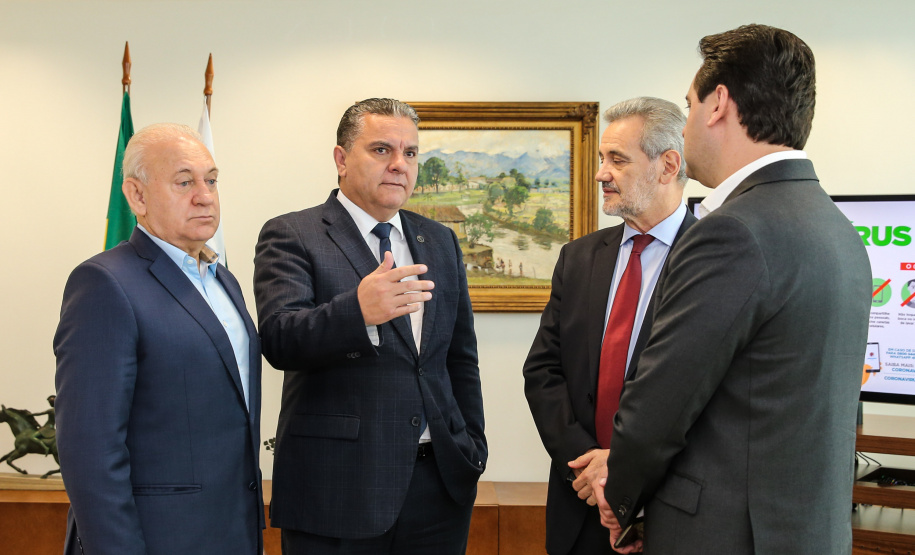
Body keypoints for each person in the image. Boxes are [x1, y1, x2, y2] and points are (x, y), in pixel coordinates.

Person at [596, 25, 872, 554]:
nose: (689, 122)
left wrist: (622, 497)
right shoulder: (836, 227)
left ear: (719, 103)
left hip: (727, 533)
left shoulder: (733, 231)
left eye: (690, 104)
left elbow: (662, 403)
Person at [254, 98, 486, 554]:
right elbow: (280, 339)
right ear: (341, 158)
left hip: (439, 488)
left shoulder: (438, 240)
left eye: (411, 153)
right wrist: (356, 313)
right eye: (382, 150)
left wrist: (471, 445)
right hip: (339, 489)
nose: (400, 165)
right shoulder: (293, 234)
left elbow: (459, 357)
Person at [54, 123, 264, 554]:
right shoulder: (104, 283)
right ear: (137, 196)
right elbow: (90, 450)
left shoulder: (225, 281)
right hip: (154, 540)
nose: (205, 195)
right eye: (184, 181)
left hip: (234, 534)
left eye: (211, 179)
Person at [523, 97, 696, 555]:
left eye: (617, 160)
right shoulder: (579, 258)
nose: (601, 173)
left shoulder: (712, 259)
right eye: (602, 158)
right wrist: (589, 469)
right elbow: (542, 372)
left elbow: (707, 398)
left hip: (663, 515)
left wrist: (623, 471)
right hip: (576, 508)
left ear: (668, 165)